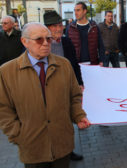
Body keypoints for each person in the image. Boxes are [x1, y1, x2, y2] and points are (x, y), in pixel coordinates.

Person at [0, 23, 90, 168]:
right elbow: (3, 108)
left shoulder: (64, 65)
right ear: (25, 41)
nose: (46, 43)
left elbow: (74, 96)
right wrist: (18, 134)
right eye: (39, 39)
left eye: (48, 39)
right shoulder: (6, 72)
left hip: (62, 145)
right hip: (32, 148)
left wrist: (79, 116)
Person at [44, 11, 85, 161]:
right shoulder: (41, 44)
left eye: (60, 25)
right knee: (51, 122)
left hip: (66, 87)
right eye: (55, 26)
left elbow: (74, 63)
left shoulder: (66, 42)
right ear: (47, 28)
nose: (59, 28)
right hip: (47, 90)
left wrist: (79, 83)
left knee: (68, 121)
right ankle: (50, 151)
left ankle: (68, 150)